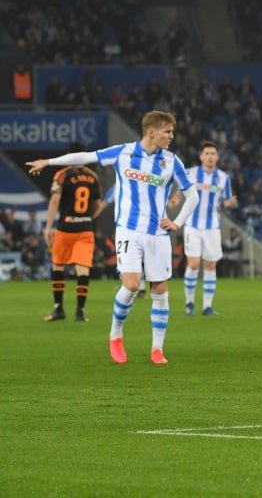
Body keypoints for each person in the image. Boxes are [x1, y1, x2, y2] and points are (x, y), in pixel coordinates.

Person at [27, 111, 199, 365]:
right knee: (130, 285)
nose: (172, 136)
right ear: (151, 132)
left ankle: (157, 349)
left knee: (160, 289)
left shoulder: (172, 162)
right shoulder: (123, 152)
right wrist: (49, 161)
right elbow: (86, 156)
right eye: (167, 131)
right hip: (128, 230)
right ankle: (116, 335)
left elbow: (192, 195)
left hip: (158, 234)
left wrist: (177, 222)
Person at [169, 141, 237, 316]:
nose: (210, 156)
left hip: (212, 227)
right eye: (207, 153)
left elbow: (226, 200)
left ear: (217, 157)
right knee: (193, 263)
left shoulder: (223, 177)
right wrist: (175, 200)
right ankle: (189, 302)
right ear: (201, 157)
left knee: (210, 265)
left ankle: (207, 306)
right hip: (192, 225)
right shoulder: (191, 173)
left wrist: (229, 203)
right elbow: (181, 191)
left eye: (213, 153)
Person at [41, 142, 103, 322]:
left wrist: (48, 227)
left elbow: (55, 200)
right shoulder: (93, 176)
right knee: (82, 268)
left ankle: (58, 309)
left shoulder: (62, 175)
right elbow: (97, 204)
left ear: (69, 156)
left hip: (65, 228)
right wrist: (88, 217)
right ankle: (80, 312)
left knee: (58, 265)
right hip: (85, 229)